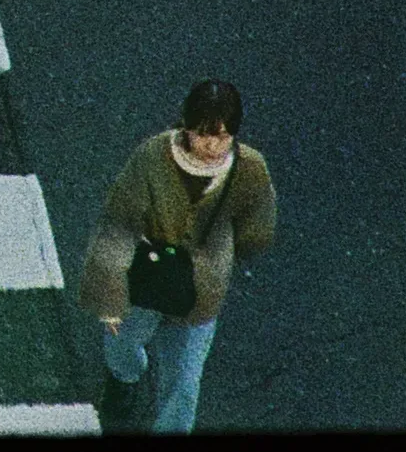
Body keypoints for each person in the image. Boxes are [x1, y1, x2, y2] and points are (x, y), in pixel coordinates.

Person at [80, 83, 279, 434]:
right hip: (147, 283)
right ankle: (126, 376)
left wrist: (223, 255)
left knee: (184, 388)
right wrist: (107, 293)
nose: (213, 145)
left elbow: (257, 230)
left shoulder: (250, 169)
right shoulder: (153, 156)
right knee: (121, 346)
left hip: (201, 295)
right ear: (186, 126)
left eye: (223, 135)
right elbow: (119, 221)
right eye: (204, 134)